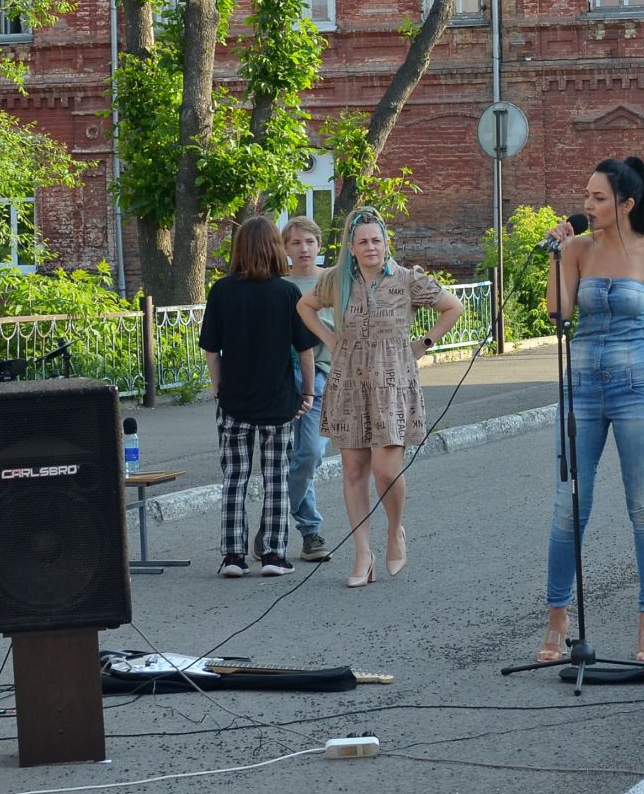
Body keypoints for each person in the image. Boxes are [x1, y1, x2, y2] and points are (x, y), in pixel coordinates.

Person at [534, 157, 644, 665]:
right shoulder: (578, 248)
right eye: (586, 196)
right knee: (568, 507)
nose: (587, 205)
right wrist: (555, 258)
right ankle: (558, 619)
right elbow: (558, 313)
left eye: (598, 198)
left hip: (637, 390)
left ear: (626, 204)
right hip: (580, 388)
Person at [300, 208, 464, 588]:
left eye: (377, 240)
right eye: (363, 242)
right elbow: (304, 306)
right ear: (352, 247)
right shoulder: (336, 281)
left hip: (392, 383)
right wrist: (329, 339)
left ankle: (394, 531)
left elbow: (452, 306)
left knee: (386, 471)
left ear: (386, 242)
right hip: (348, 381)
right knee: (354, 471)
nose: (371, 247)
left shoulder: (406, 280)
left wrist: (423, 344)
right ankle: (362, 553)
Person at [199, 216, 320, 579]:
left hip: (234, 402)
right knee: (276, 479)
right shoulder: (287, 294)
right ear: (274, 249)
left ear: (239, 250)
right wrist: (308, 392)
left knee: (234, 479)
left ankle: (233, 557)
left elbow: (211, 349)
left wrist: (218, 387)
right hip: (279, 402)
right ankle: (273, 554)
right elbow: (305, 352)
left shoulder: (222, 290)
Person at [278, 217, 334, 564]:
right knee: (289, 454)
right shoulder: (280, 285)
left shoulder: (332, 281)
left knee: (310, 453)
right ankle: (309, 532)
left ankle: (276, 513)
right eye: (295, 243)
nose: (303, 249)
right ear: (286, 249)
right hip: (287, 374)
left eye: (309, 242)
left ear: (319, 244)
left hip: (328, 372)